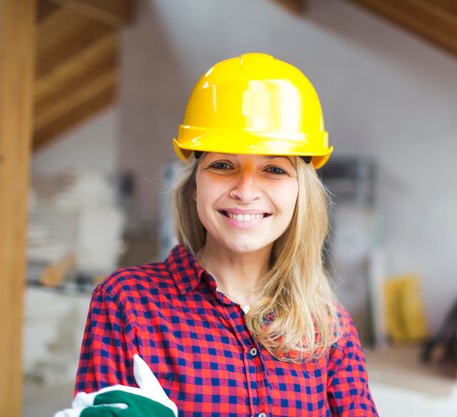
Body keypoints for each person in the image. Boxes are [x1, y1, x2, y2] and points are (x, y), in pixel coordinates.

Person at [71, 53, 379, 416]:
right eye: (222, 165)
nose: (246, 190)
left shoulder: (330, 328)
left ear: (302, 193)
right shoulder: (128, 304)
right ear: (194, 186)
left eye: (274, 169)